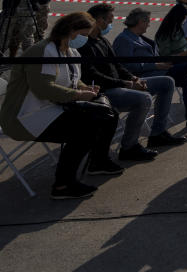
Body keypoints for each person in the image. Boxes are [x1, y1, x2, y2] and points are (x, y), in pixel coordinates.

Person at [0, 12, 123, 199]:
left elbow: (73, 79)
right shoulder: (43, 51)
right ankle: (63, 185)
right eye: (82, 34)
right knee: (84, 129)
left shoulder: (70, 51)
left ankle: (98, 162)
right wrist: (78, 94)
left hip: (51, 108)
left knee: (108, 114)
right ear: (70, 31)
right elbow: (44, 89)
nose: (85, 39)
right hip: (25, 116)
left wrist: (86, 88)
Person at [79, 4, 185, 160]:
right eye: (109, 20)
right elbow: (94, 76)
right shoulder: (85, 45)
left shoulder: (102, 40)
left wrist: (133, 79)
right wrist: (127, 83)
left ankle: (158, 133)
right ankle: (129, 147)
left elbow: (118, 66)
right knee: (143, 99)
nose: (111, 24)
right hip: (103, 90)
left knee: (167, 82)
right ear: (99, 20)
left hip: (121, 83)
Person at [112, 7, 187, 127]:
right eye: (147, 22)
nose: (149, 25)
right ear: (140, 22)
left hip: (158, 70)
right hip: (143, 77)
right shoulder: (124, 39)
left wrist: (163, 63)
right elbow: (126, 66)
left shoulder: (139, 37)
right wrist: (156, 65)